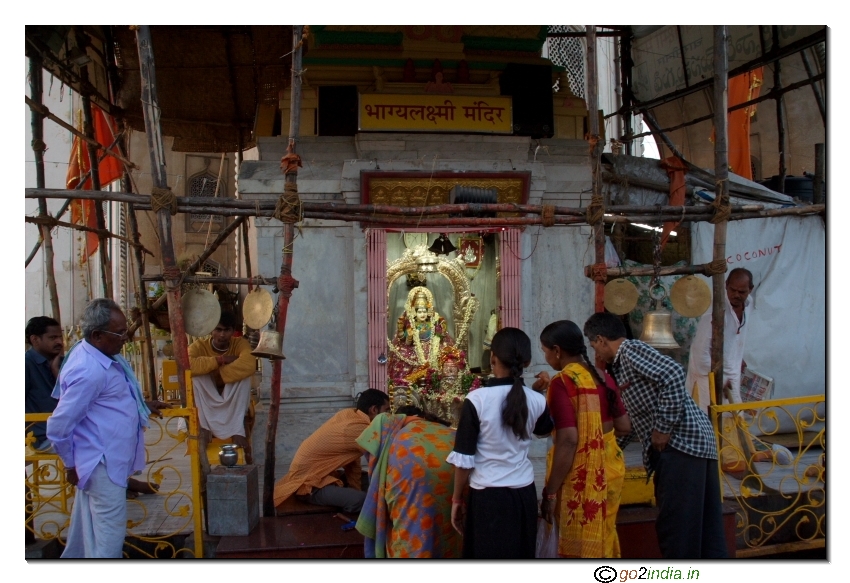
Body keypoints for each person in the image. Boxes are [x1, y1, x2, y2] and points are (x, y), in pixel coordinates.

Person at [583, 312, 727, 559]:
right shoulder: (621, 366)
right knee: (704, 525)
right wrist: (608, 451)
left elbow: (672, 373)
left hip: (682, 445)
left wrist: (663, 429)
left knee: (677, 526)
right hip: (695, 445)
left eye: (593, 345)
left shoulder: (630, 351)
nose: (595, 352)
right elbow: (632, 421)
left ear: (601, 340)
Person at [46, 299, 167, 558]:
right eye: (120, 333)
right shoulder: (89, 370)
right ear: (97, 335)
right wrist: (69, 465)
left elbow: (109, 399)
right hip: (101, 462)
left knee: (88, 533)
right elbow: (58, 426)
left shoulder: (99, 355)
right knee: (109, 538)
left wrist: (141, 405)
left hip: (105, 460)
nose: (126, 338)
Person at [447, 327, 553, 559]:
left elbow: (464, 460)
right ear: (526, 361)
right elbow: (544, 430)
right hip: (523, 495)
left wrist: (456, 499)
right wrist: (538, 395)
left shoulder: (477, 400)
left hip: (487, 497)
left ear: (493, 357)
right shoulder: (536, 400)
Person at [534, 320, 631, 558]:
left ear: (557, 350)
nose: (546, 357)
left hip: (580, 475)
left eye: (545, 351)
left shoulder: (563, 383)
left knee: (578, 545)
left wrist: (550, 492)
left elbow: (568, 440)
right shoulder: (603, 377)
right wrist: (598, 438)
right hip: (609, 472)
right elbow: (624, 426)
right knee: (603, 534)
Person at [355, 405, 462, 558]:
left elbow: (367, 452)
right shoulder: (450, 432)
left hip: (414, 495)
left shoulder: (391, 431)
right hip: (457, 494)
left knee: (412, 537)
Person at [685, 268, 762, 473]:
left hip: (731, 369)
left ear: (750, 290)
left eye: (742, 291)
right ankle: (721, 459)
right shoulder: (713, 313)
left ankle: (743, 453)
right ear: (725, 286)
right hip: (708, 374)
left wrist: (738, 356)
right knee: (714, 415)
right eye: (732, 290)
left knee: (734, 411)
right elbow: (700, 352)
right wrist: (718, 376)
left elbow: (736, 336)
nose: (736, 295)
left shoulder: (748, 304)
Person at [273, 389, 390, 513]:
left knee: (371, 482)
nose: (389, 416)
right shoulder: (358, 429)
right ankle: (347, 516)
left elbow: (352, 463)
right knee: (362, 500)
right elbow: (386, 457)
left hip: (323, 476)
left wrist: (355, 488)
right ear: (374, 410)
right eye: (387, 411)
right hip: (310, 485)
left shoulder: (349, 415)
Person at [188, 312, 256, 462]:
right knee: (197, 377)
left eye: (227, 330)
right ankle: (205, 427)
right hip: (208, 394)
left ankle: (237, 430)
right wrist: (221, 360)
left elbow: (250, 364)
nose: (222, 335)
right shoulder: (199, 346)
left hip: (231, 394)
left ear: (233, 331)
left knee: (244, 377)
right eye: (218, 330)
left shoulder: (240, 344)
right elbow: (188, 365)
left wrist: (218, 371)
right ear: (211, 330)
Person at [387, 286, 455, 383]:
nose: (422, 314)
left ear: (428, 312)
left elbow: (440, 335)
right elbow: (404, 340)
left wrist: (442, 330)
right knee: (402, 356)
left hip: (432, 349)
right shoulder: (411, 324)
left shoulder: (432, 323)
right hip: (414, 350)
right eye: (419, 312)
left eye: (424, 311)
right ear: (414, 312)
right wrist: (403, 331)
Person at [25, 317, 64, 451]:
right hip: (41, 438)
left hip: (66, 431)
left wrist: (56, 373)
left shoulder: (63, 362)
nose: (59, 342)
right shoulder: (26, 364)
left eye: (60, 337)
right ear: (35, 340)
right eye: (53, 338)